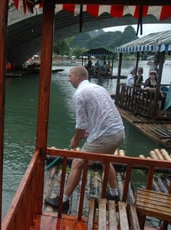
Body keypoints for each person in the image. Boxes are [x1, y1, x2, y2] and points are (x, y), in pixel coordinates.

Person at [45, 66, 125, 213]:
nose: (68, 79)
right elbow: (102, 113)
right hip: (119, 133)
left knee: (77, 162)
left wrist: (76, 139)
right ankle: (114, 194)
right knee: (105, 161)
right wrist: (90, 131)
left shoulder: (79, 94)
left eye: (70, 76)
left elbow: (81, 123)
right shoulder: (98, 88)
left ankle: (63, 201)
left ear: (78, 77)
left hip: (105, 136)